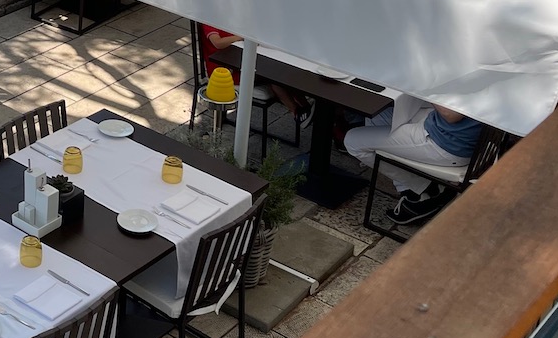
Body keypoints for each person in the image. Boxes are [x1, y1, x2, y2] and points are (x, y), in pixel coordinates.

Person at [344, 94, 484, 225]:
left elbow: (451, 115)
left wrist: (429, 80)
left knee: (352, 141)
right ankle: (416, 195)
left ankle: (427, 189)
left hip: (446, 144)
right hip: (455, 134)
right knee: (377, 115)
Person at [198, 24, 314, 129]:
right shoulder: (210, 21)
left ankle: (305, 107)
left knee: (281, 72)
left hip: (239, 61)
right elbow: (218, 43)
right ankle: (296, 112)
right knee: (276, 77)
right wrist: (241, 37)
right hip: (226, 72)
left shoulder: (228, 16)